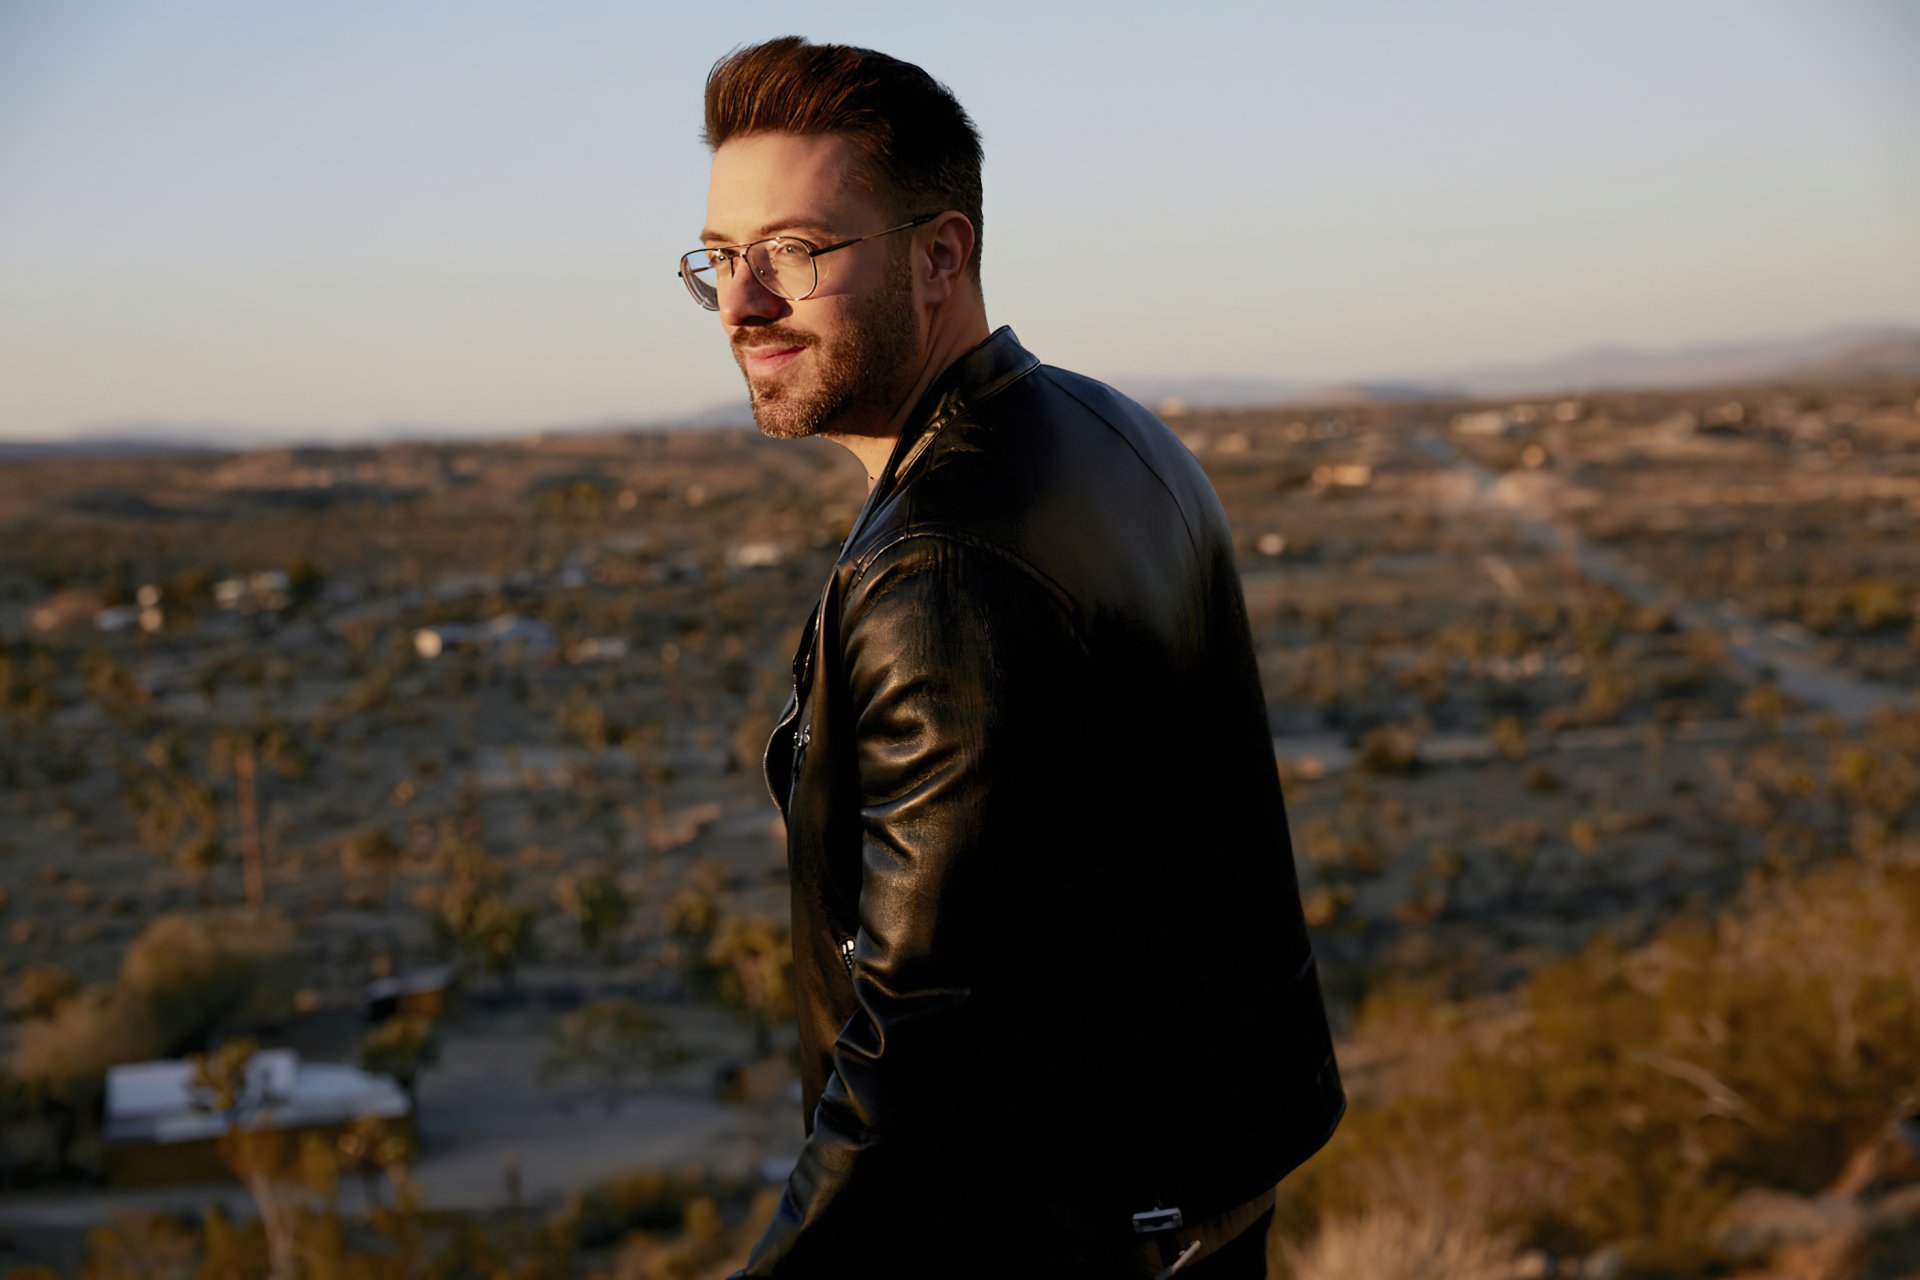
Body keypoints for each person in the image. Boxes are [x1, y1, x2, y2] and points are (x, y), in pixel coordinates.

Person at [681, 37, 1345, 1280]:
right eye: (720, 258)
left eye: (792, 253)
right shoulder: (1106, 428)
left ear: (943, 255)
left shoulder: (941, 566)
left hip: (1053, 1237)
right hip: (1194, 1205)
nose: (741, 303)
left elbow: (920, 1045)